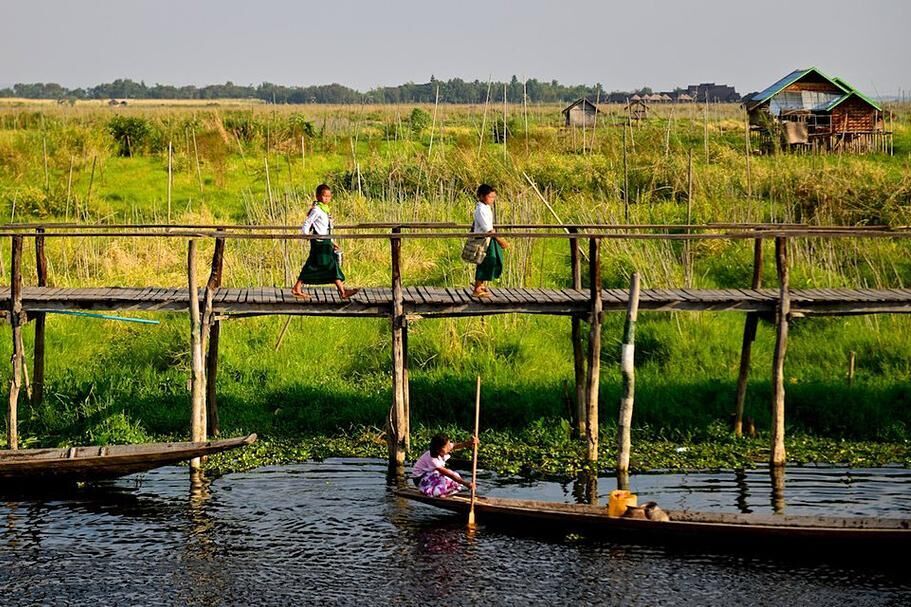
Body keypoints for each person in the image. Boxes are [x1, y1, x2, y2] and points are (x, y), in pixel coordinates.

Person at [291, 184, 359, 300]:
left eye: (329, 196)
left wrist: (332, 241)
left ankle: (297, 288)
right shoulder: (317, 210)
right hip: (319, 242)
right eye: (324, 196)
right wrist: (306, 235)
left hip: (325, 241)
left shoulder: (325, 210)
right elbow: (307, 223)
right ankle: (342, 291)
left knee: (313, 264)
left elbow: (327, 228)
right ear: (318, 196)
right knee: (331, 264)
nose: (327, 198)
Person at [411, 433, 478, 497]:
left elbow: (455, 446)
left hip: (430, 473)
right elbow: (449, 474)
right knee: (446, 479)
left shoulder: (441, 449)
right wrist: (465, 483)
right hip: (420, 479)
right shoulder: (433, 459)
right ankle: (428, 490)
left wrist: (469, 443)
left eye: (449, 444)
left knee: (455, 477)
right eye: (447, 446)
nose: (449, 447)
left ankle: (438, 491)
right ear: (438, 449)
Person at [471, 184, 508, 298]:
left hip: (488, 238)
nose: (492, 199)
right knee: (487, 261)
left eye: (493, 197)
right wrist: (500, 240)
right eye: (490, 197)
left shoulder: (485, 207)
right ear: (482, 196)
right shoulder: (481, 209)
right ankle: (477, 288)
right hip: (484, 239)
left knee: (491, 260)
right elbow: (488, 229)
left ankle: (481, 284)